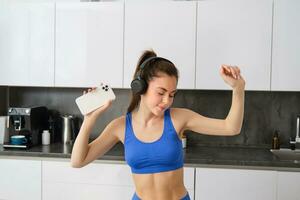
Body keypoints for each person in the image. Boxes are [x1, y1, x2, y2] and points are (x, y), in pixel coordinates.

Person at [71, 49, 245, 200]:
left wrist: (238, 88)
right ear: (140, 87)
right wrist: (89, 119)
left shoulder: (179, 118)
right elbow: (78, 161)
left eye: (171, 94)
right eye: (161, 92)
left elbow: (231, 127)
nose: (166, 101)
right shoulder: (120, 127)